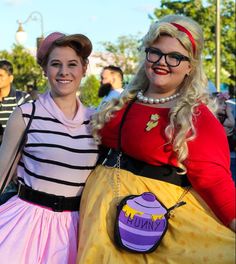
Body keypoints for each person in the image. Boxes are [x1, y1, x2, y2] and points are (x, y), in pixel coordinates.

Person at [77, 15, 235, 264]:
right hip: (99, 217)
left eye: (175, 57)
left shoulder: (196, 116)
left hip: (154, 226)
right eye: (155, 53)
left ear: (190, 66)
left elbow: (216, 183)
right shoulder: (122, 103)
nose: (162, 62)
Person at [0, 31, 98, 264]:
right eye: (55, 64)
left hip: (77, 229)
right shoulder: (26, 114)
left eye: (72, 64)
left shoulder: (97, 120)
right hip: (26, 226)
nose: (64, 72)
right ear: (44, 70)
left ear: (84, 69)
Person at [0, 60, 31, 145]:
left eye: (1, 75)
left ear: (11, 78)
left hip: (15, 153)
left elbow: (32, 128)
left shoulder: (23, 99)